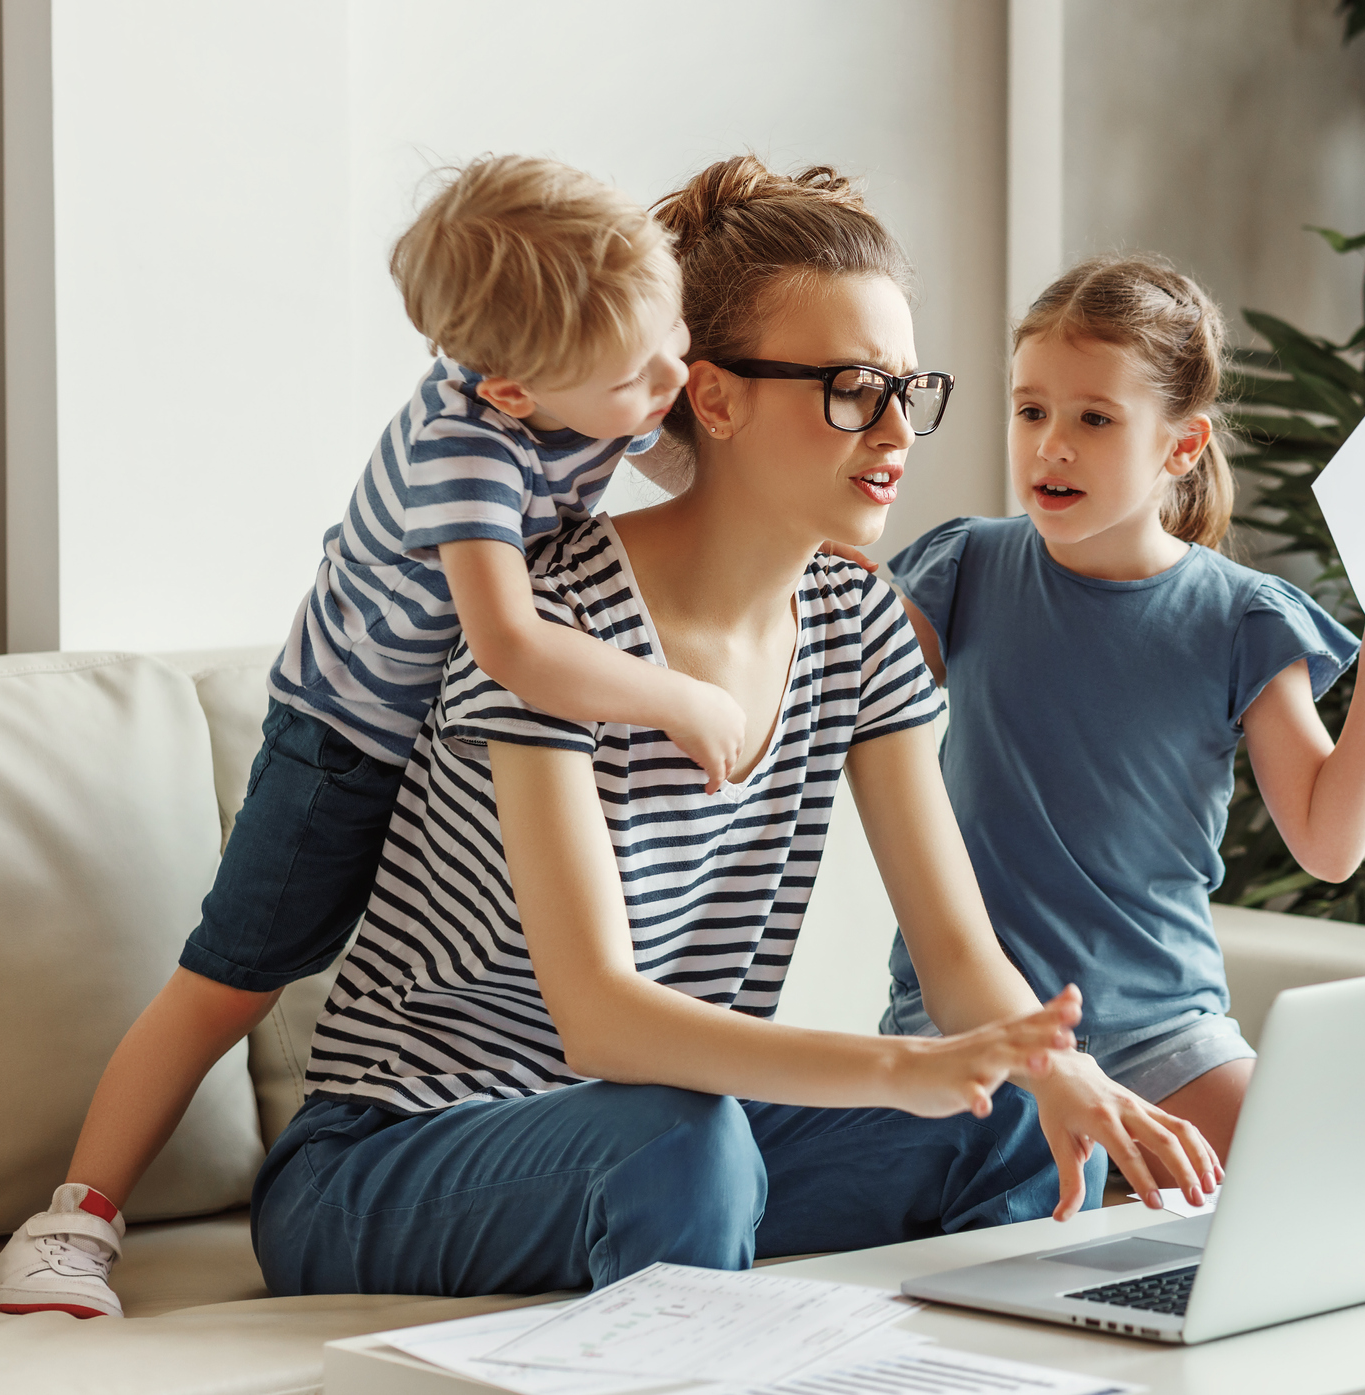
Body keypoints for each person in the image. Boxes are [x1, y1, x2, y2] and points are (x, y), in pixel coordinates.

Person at [247, 157, 1217, 1299]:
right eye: (854, 387)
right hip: (393, 1155)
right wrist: (900, 1065)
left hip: (655, 1138)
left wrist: (1059, 1071)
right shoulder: (552, 618)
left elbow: (958, 958)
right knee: (682, 1140)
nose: (897, 428)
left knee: (1005, 1117)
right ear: (712, 398)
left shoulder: (857, 621)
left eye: (910, 387)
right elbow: (600, 1022)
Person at [0, 155, 745, 1317]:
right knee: (228, 981)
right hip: (343, 746)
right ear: (511, 396)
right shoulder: (461, 452)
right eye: (637, 377)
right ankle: (72, 1221)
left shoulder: (592, 377)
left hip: (439, 748)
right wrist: (682, 695)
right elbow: (514, 645)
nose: (671, 380)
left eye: (675, 335)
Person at [880, 254, 1365, 1172]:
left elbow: (1327, 843)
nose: (1049, 446)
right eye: (1031, 410)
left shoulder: (1244, 618)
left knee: (1311, 1189)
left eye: (1094, 419)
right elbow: (819, 701)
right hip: (976, 1033)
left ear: (1180, 446)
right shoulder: (963, 571)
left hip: (1165, 1035)